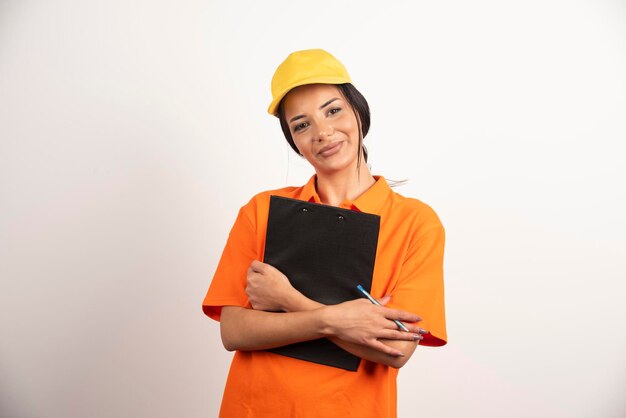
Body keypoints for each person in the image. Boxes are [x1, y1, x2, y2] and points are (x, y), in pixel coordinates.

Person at [202, 49, 447, 418]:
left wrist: (286, 298)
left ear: (358, 111)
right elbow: (234, 331)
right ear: (293, 141)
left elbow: (395, 350)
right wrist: (342, 319)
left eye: (333, 110)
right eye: (302, 124)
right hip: (255, 407)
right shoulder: (261, 210)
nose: (323, 132)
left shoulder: (415, 223)